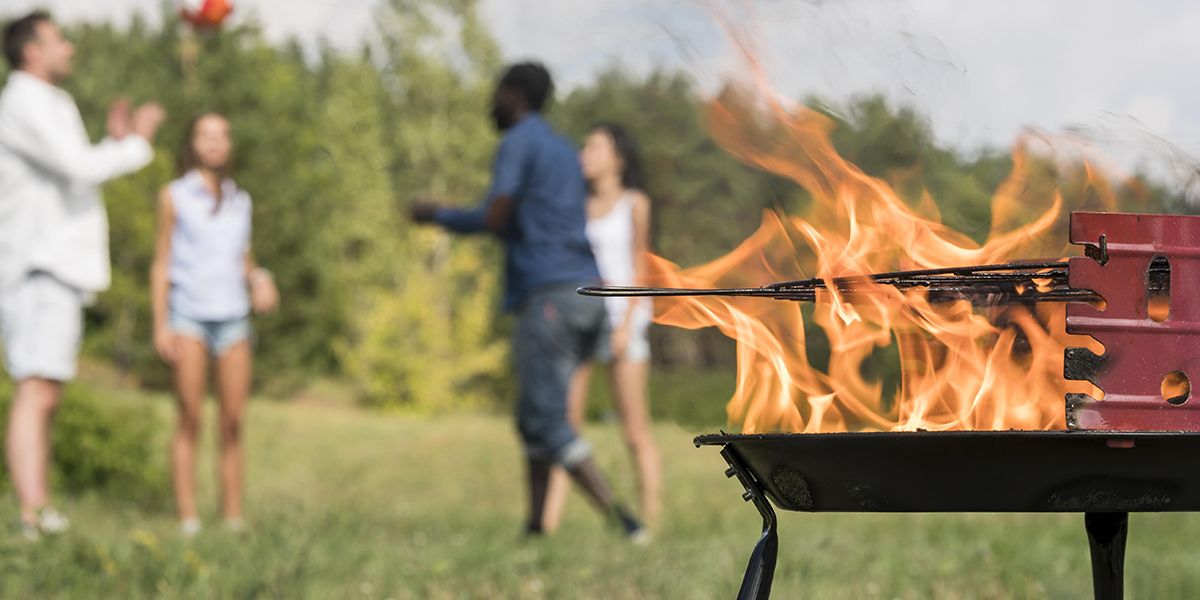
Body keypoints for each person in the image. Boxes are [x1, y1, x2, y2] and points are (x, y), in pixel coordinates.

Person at [411, 62, 646, 541]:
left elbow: (498, 214)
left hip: (551, 296)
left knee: (546, 417)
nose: (492, 102)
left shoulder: (518, 141)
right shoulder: (562, 150)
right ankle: (537, 526)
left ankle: (624, 521)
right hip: (587, 295)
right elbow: (533, 218)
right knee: (531, 415)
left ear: (514, 95)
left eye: (497, 92)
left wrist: (441, 215)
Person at [0, 11, 165, 540]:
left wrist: (112, 145)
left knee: (48, 388)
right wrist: (134, 143)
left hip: (56, 265)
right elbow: (78, 167)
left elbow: (74, 167)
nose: (69, 48)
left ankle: (38, 509)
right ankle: (31, 514)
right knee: (37, 387)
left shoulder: (50, 102)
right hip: (37, 264)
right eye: (58, 40)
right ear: (32, 51)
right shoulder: (23, 102)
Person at [151, 112, 279, 536]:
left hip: (233, 318)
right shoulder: (174, 195)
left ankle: (232, 518)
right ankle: (189, 518)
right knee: (190, 417)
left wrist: (260, 279)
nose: (214, 142)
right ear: (192, 143)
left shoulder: (240, 199)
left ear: (229, 145)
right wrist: (160, 324)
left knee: (233, 421)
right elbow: (161, 261)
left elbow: (243, 258)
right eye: (205, 134)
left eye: (222, 135)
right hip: (188, 315)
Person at [542, 123, 662, 532]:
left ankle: (652, 521)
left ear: (618, 158)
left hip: (622, 323)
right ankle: (547, 524)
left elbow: (640, 266)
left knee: (634, 431)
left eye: (593, 147)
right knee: (564, 427)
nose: (584, 154)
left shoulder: (635, 203)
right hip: (579, 322)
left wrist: (628, 323)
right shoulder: (574, 203)